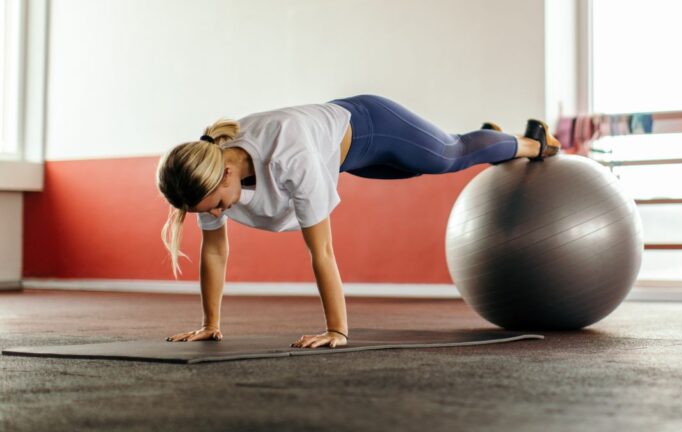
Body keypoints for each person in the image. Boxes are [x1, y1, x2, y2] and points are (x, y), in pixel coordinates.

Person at [155, 94, 561, 349]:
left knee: (448, 156)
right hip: (343, 155)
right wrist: (210, 323)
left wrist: (337, 330)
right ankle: (489, 142)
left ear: (226, 173)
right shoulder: (205, 172)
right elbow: (215, 250)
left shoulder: (288, 153)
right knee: (420, 168)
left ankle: (531, 142)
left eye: (216, 205)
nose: (214, 214)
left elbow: (322, 251)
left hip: (371, 127)